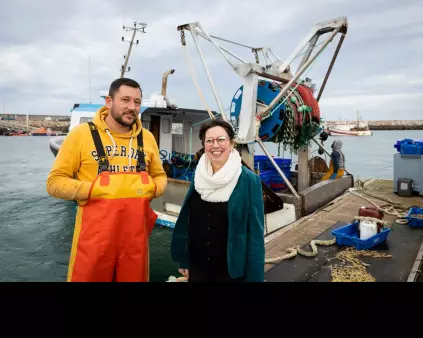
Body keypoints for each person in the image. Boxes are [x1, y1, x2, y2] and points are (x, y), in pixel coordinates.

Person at [46, 77, 167, 282]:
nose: (132, 107)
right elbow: (54, 183)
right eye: (125, 100)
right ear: (109, 102)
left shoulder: (147, 138)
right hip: (93, 243)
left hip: (135, 243)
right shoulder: (81, 135)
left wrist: (153, 188)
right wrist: (95, 189)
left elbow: (160, 176)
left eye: (137, 102)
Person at [170, 119, 265, 282]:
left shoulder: (249, 181)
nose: (215, 145)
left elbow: (255, 235)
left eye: (221, 139)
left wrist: (255, 277)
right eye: (209, 140)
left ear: (232, 143)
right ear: (204, 144)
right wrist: (185, 259)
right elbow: (190, 221)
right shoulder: (200, 175)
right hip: (198, 267)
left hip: (230, 271)